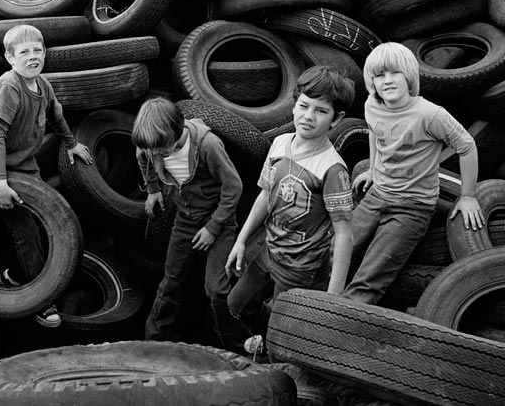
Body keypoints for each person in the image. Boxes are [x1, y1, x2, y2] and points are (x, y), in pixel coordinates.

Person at [0, 24, 92, 328]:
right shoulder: (9, 87)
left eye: (38, 50)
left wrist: (71, 144)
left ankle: (16, 275)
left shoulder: (42, 85)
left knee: (50, 218)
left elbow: (56, 114)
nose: (32, 57)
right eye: (24, 52)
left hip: (23, 164)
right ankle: (41, 300)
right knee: (26, 230)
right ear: (10, 57)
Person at [225, 65, 356, 358]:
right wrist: (242, 240)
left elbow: (345, 234)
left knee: (283, 342)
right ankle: (272, 336)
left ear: (337, 119)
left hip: (302, 269)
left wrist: (335, 297)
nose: (308, 116)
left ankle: (280, 360)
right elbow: (265, 193)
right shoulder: (281, 143)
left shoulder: (332, 169)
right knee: (237, 305)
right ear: (294, 104)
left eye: (321, 111)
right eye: (303, 105)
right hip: (269, 251)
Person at [342, 42, 484, 305]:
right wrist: (373, 169)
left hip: (412, 207)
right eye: (379, 76)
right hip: (377, 195)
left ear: (409, 75)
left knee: (369, 278)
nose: (387, 81)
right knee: (336, 252)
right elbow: (375, 132)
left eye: (394, 73)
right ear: (371, 82)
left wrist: (468, 196)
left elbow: (466, 146)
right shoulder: (372, 106)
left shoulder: (429, 115)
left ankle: (331, 331)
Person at [133, 97, 247, 350]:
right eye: (151, 149)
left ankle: (239, 344)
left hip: (219, 220)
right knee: (171, 280)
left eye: (161, 149)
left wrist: (212, 228)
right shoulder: (151, 146)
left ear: (177, 131)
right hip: (185, 217)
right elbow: (143, 157)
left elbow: (233, 186)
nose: (155, 154)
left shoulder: (207, 145)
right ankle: (153, 343)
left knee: (215, 288)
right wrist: (152, 189)